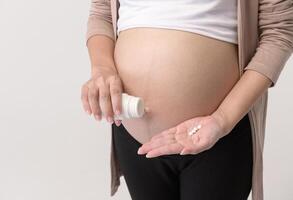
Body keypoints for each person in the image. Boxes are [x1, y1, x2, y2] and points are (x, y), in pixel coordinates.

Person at [81, 0, 293, 199]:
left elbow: (279, 33)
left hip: (218, 135)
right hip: (133, 134)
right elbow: (103, 13)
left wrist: (222, 119)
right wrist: (102, 68)